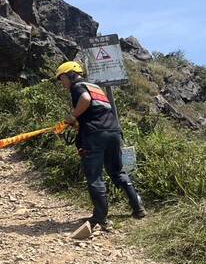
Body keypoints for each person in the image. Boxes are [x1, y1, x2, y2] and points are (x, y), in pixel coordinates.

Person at [55, 61, 146, 229]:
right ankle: (138, 207)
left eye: (62, 78)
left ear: (70, 75)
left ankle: (100, 217)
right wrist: (78, 122)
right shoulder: (96, 87)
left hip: (95, 136)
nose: (62, 83)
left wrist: (73, 116)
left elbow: (85, 100)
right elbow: (97, 111)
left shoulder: (78, 87)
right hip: (113, 132)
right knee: (117, 171)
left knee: (94, 175)